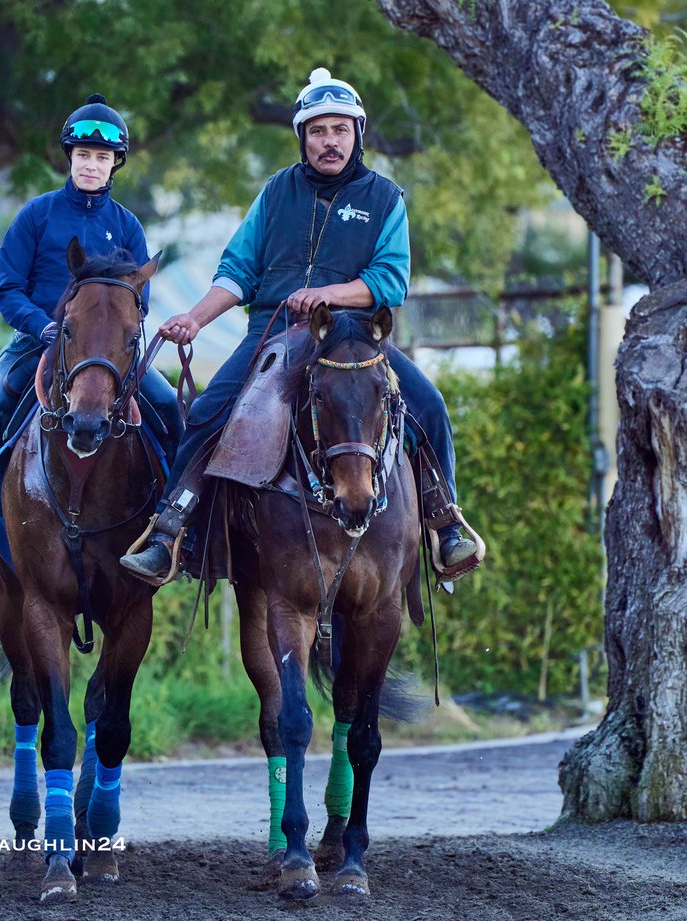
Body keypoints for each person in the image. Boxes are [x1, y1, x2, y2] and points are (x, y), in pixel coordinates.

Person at [119, 68, 480, 584]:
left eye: (339, 130)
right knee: (206, 412)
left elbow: (390, 280)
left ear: (357, 133)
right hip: (271, 332)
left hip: (353, 336)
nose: (328, 142)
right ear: (302, 138)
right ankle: (171, 532)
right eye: (317, 131)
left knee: (430, 407)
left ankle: (446, 526)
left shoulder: (385, 197)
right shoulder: (275, 192)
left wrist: (329, 295)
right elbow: (239, 270)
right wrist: (194, 319)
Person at [0, 94, 183, 550]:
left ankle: (175, 525)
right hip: (40, 340)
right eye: (82, 155)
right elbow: (7, 288)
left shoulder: (129, 225)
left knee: (172, 407)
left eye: (101, 157)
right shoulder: (36, 215)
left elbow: (141, 298)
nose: (90, 165)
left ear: (115, 163)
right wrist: (43, 327)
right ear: (70, 158)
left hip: (109, 352)